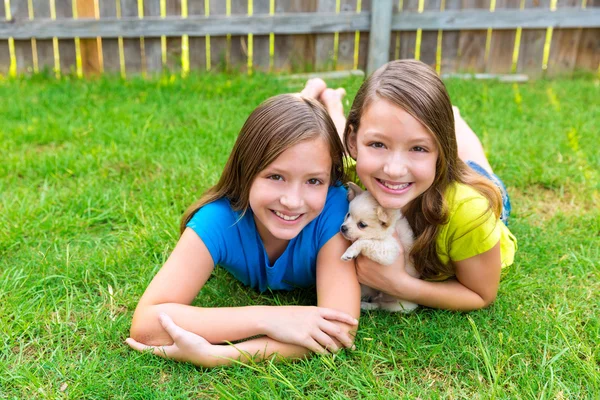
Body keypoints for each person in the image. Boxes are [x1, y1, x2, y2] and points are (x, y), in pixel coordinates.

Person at [126, 92, 361, 367]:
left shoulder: (335, 211)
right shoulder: (218, 219)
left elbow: (340, 329)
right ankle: (313, 93)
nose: (292, 201)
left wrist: (219, 356)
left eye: (314, 181)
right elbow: (146, 325)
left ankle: (330, 101)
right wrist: (272, 318)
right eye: (276, 176)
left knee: (336, 143)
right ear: (245, 171)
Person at [316, 59, 517, 311]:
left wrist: (398, 285)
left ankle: (455, 119)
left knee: (478, 165)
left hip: (477, 188)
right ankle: (333, 103)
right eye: (378, 144)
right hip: (427, 171)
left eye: (418, 147)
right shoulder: (354, 174)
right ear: (354, 141)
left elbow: (480, 295)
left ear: (440, 151)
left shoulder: (470, 213)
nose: (393, 170)